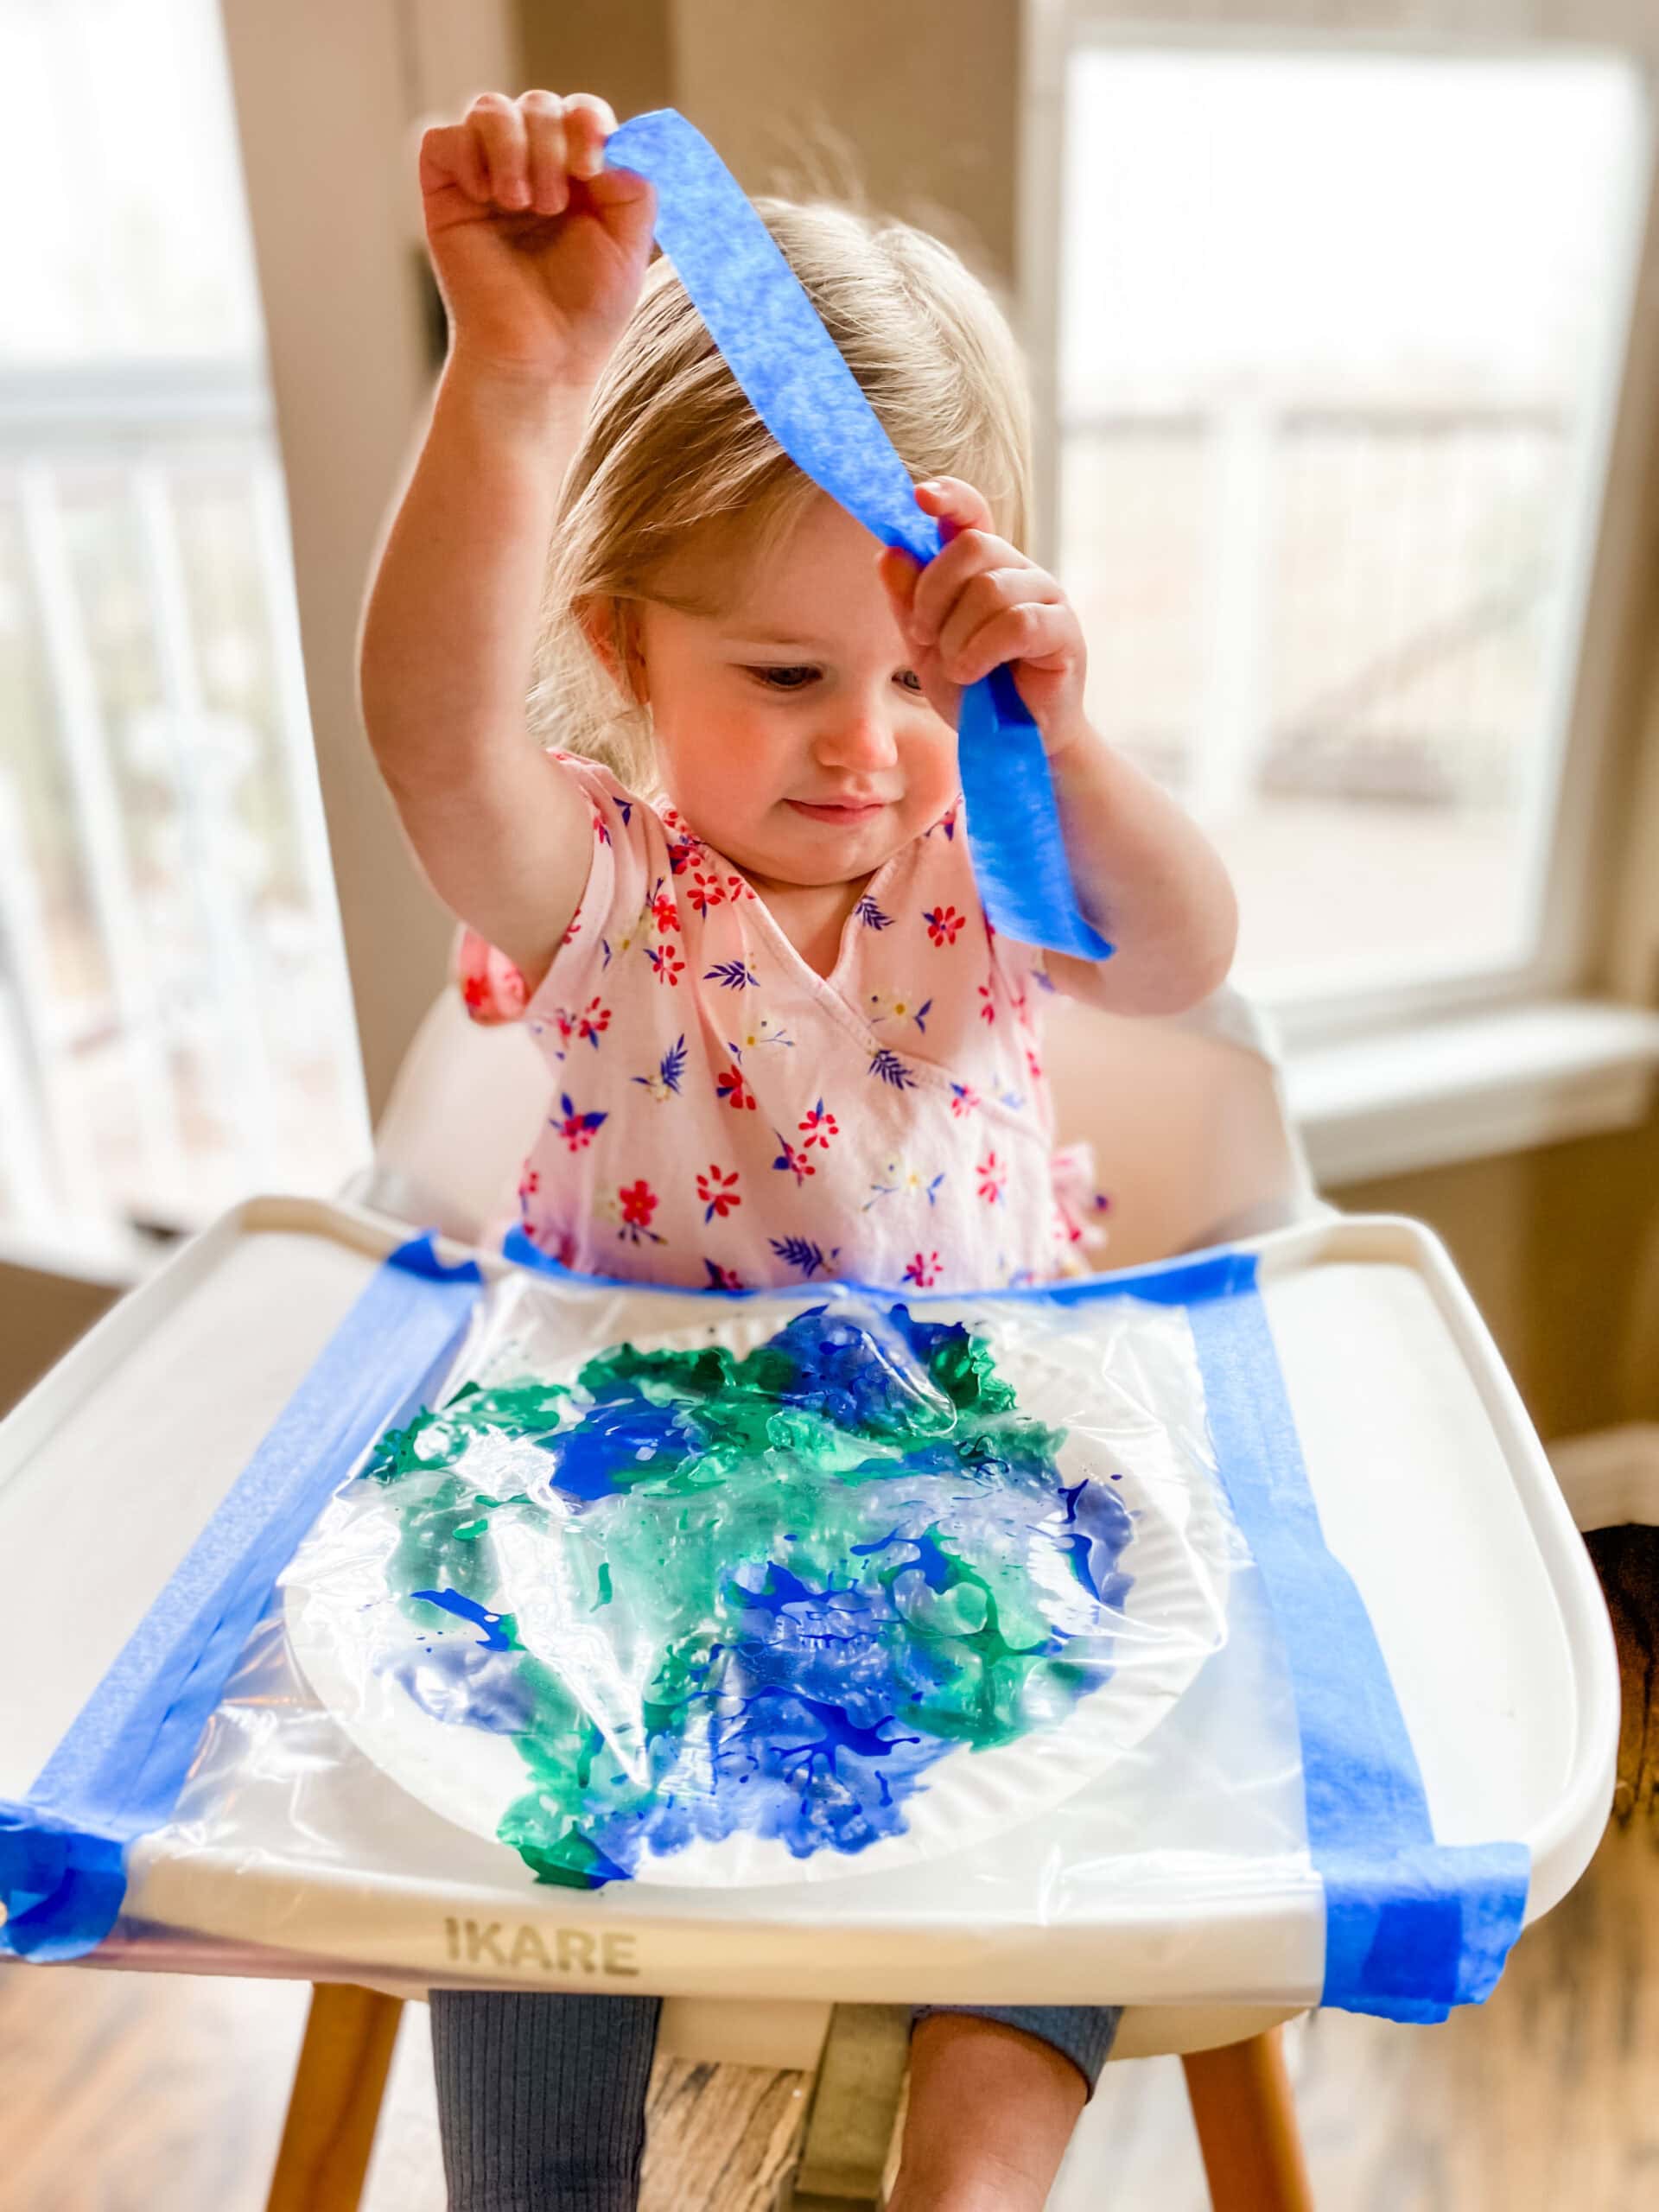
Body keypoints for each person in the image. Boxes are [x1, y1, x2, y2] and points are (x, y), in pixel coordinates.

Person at [359, 85, 1237, 2212]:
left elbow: (1190, 955)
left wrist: (1057, 724)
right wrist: (516, 379)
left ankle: (969, 2164)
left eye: (913, 675)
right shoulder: (600, 895)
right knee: (520, 1836)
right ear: (620, 652)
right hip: (635, 1533)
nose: (863, 744)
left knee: (1085, 1809)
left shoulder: (994, 844)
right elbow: (432, 738)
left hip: (982, 1491)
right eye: (780, 672)